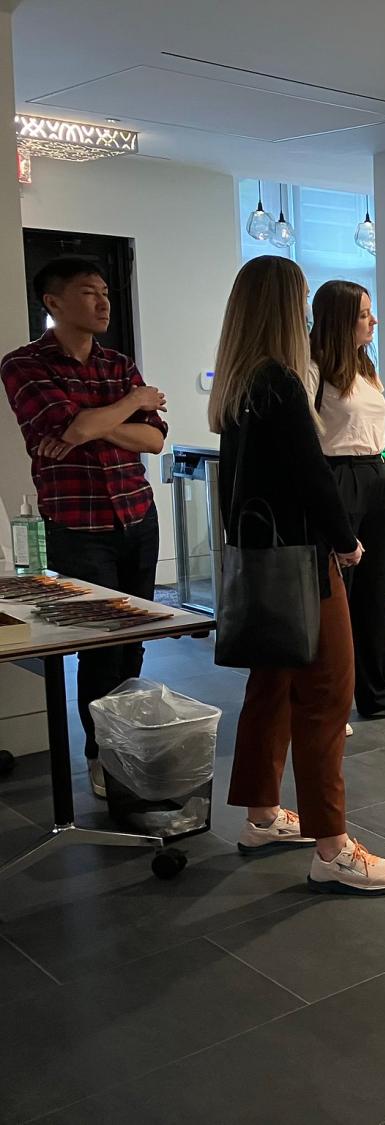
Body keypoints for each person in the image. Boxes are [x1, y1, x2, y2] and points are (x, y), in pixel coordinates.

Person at [211, 256, 385, 896]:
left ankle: (263, 814)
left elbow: (234, 483)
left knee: (271, 686)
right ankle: (333, 848)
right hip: (303, 558)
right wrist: (344, 541)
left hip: (264, 558)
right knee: (327, 694)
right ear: (282, 307)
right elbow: (311, 474)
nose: (305, 313)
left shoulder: (242, 381)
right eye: (298, 300)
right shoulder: (279, 381)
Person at [1, 257, 167, 799]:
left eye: (105, 293)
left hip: (137, 515)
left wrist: (91, 424)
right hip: (78, 522)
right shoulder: (24, 364)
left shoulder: (117, 361)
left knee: (137, 640)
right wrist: (133, 404)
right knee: (101, 644)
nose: (103, 303)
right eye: (89, 293)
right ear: (52, 302)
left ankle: (128, 743)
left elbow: (154, 441)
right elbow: (64, 426)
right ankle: (101, 754)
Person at [308, 280, 385, 726]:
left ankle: (377, 693)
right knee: (337, 600)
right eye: (363, 314)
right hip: (337, 477)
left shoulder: (365, 368)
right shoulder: (316, 369)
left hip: (375, 474)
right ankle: (331, 702)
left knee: (375, 595)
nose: (373, 320)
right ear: (339, 319)